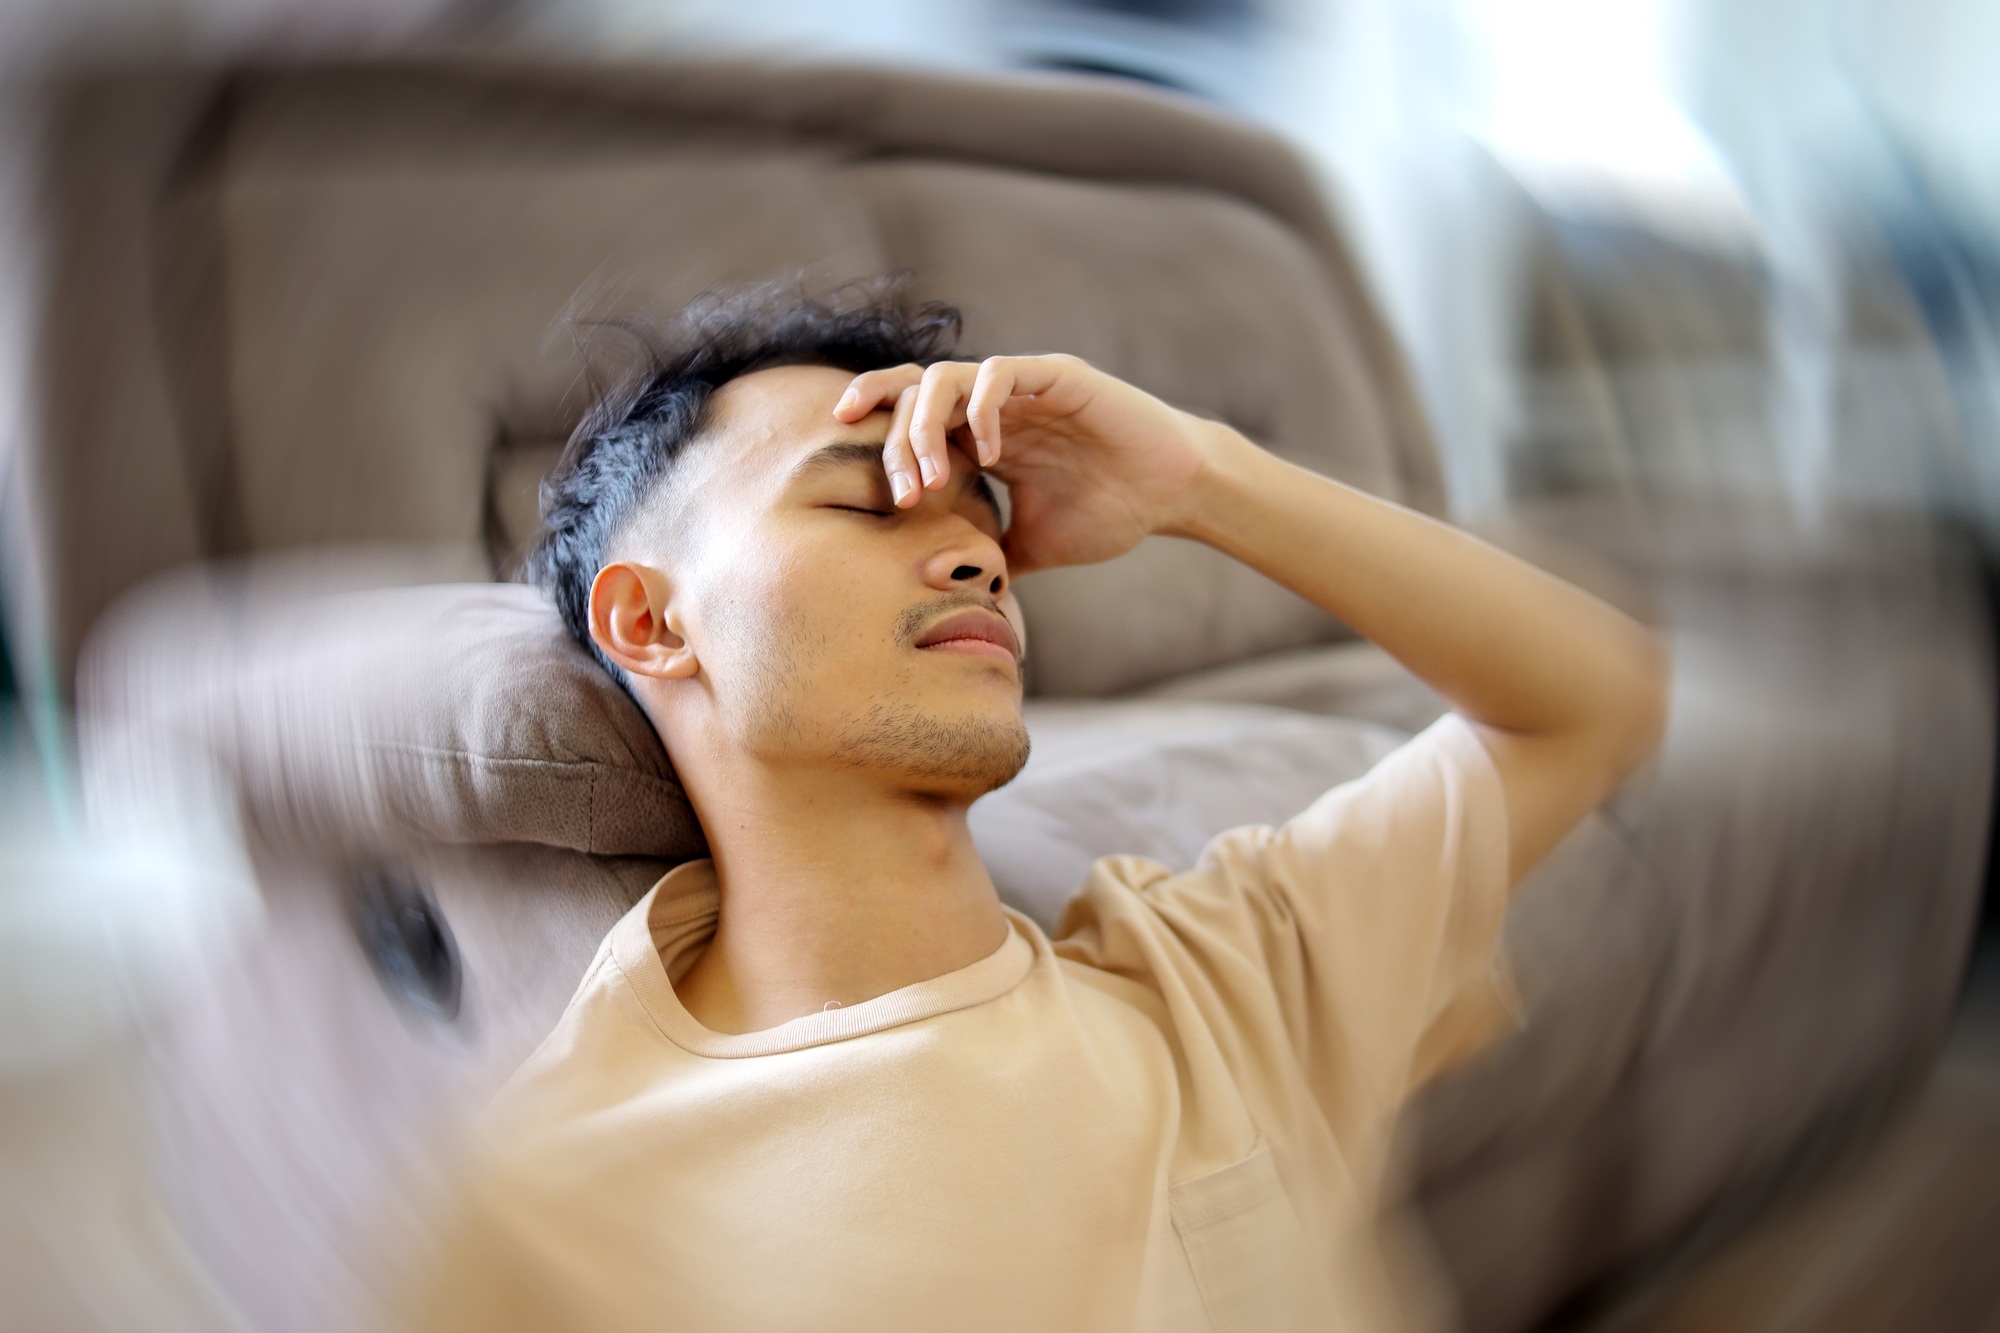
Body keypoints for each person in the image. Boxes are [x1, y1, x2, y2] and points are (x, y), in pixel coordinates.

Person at [414, 284, 1667, 1332]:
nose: (980, 556)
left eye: (984, 515)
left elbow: (1593, 699)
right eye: (869, 499)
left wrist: (1196, 475)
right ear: (651, 619)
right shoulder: (556, 1212)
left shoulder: (1213, 980)